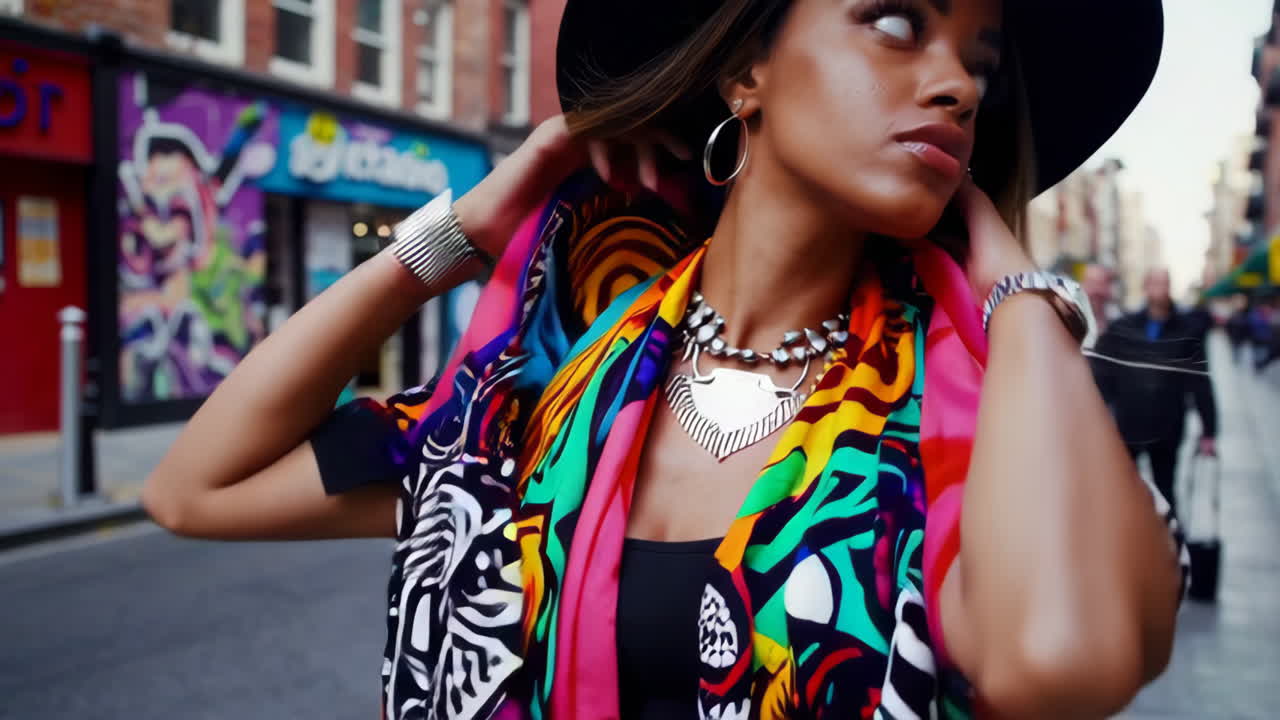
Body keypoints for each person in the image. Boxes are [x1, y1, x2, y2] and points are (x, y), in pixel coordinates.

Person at [143, 1, 1186, 718]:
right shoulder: (548, 390)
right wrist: (461, 232)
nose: (955, 81)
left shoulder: (989, 419)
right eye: (895, 22)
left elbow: (1058, 660)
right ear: (745, 69)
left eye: (980, 62)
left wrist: (1013, 293)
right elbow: (197, 488)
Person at [1093, 268, 1218, 519]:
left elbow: (1200, 382)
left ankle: (1170, 547)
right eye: (1154, 282)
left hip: (1167, 425)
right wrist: (1100, 416)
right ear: (1145, 286)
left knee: (1165, 488)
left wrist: (1209, 431)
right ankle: (1130, 539)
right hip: (1129, 422)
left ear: (1169, 286)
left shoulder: (1186, 330)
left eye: (1163, 283)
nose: (1159, 288)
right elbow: (1104, 374)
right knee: (1122, 487)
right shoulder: (1124, 326)